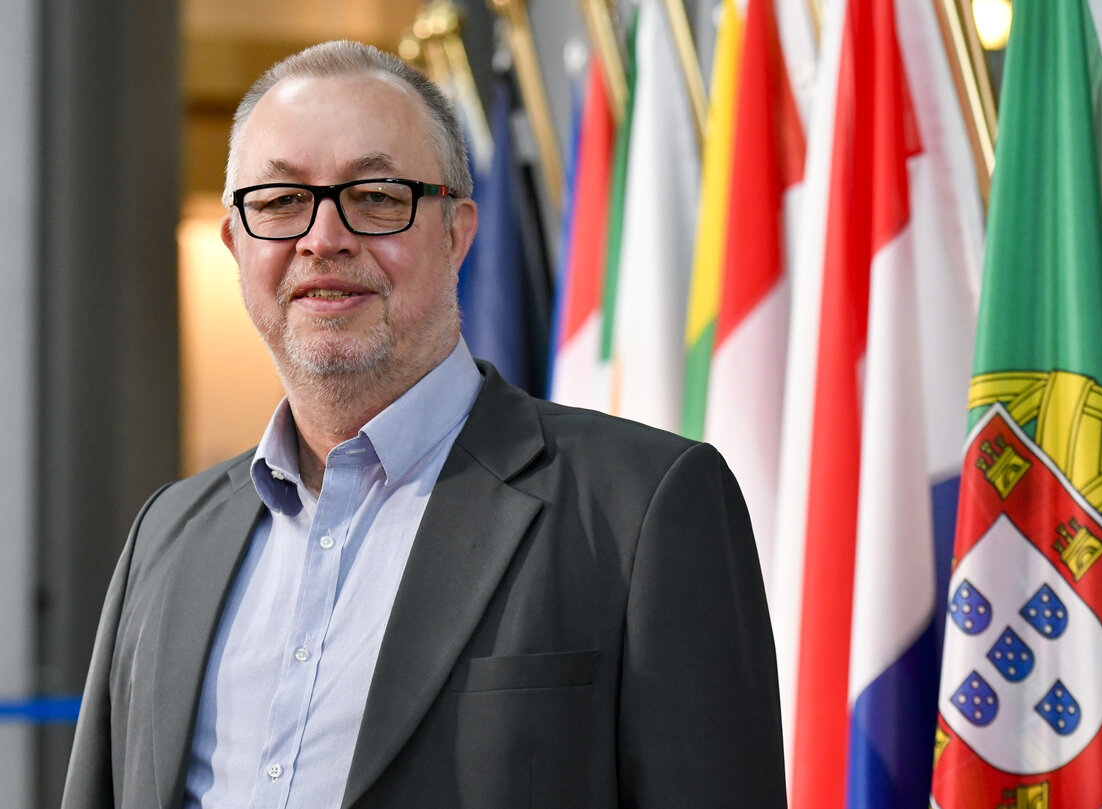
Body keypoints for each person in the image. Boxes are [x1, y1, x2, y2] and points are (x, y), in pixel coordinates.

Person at [62, 40, 786, 809]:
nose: (323, 237)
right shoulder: (165, 537)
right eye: (279, 202)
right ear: (237, 244)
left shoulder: (645, 508)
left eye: (376, 196)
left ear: (457, 232)